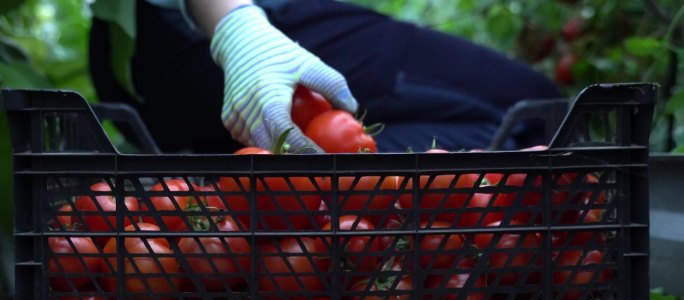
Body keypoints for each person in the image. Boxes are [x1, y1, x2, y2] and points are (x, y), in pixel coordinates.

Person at [89, 0, 561, 154]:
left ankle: (264, 201)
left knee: (525, 129)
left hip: (148, 69)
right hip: (191, 38)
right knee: (538, 112)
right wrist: (236, 26)